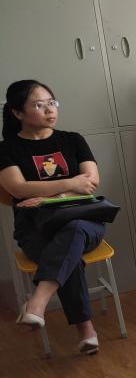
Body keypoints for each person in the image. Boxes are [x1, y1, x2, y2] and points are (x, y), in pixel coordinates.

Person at [0, 80, 105, 354]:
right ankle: (86, 329)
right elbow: (17, 189)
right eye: (39, 105)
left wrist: (45, 197)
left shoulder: (73, 139)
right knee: (68, 249)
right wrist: (70, 184)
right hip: (35, 230)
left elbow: (91, 181)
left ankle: (38, 301)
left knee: (74, 230)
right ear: (17, 112)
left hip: (85, 220)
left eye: (52, 103)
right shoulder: (6, 149)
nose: (49, 110)